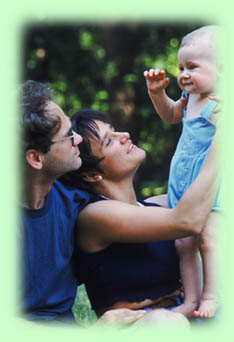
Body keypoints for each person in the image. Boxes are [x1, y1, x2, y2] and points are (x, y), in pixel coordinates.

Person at [59, 107, 218, 324]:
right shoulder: (95, 215)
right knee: (169, 324)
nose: (124, 136)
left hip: (187, 316)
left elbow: (210, 197)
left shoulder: (157, 205)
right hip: (141, 326)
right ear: (91, 174)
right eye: (109, 141)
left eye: (115, 130)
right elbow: (188, 220)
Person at [20, 80, 147, 326]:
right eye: (67, 135)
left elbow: (137, 210)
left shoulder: (71, 200)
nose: (78, 138)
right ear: (36, 158)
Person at [143, 25, 222, 318]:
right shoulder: (189, 99)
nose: (184, 74)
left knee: (208, 237)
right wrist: (157, 94)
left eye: (193, 67)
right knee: (182, 242)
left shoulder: (221, 102)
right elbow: (170, 116)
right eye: (181, 67)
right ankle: (190, 300)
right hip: (181, 183)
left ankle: (211, 295)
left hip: (210, 185)